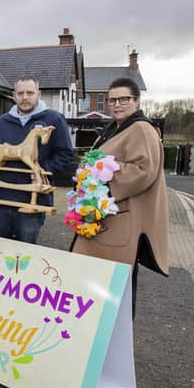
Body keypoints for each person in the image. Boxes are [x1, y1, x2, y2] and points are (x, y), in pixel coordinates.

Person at [71, 77, 169, 316]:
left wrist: (99, 172)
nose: (116, 104)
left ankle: (117, 346)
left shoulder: (142, 128)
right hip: (107, 218)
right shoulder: (115, 127)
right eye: (112, 100)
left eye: (123, 99)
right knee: (101, 286)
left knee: (117, 289)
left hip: (122, 221)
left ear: (136, 101)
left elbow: (143, 170)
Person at [0, 75, 73, 244]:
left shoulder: (54, 119)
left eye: (30, 93)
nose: (25, 97)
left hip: (32, 204)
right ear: (14, 95)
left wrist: (42, 170)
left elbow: (65, 155)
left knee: (24, 255)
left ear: (38, 95)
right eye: (20, 93)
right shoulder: (1, 123)